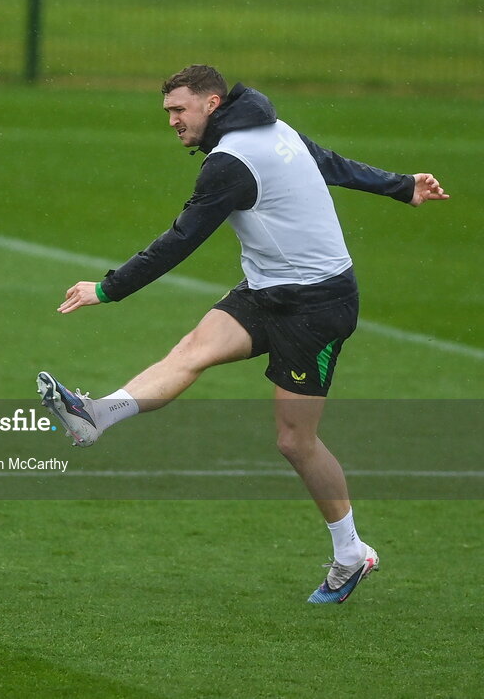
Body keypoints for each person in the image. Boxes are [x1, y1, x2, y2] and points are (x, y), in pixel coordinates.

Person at [37, 64, 449, 604]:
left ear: (211, 103)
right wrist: (401, 187)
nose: (172, 121)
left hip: (317, 306)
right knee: (190, 351)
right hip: (266, 291)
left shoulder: (231, 162)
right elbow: (326, 161)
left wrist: (109, 289)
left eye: (179, 110)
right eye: (167, 112)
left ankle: (352, 554)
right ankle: (95, 418)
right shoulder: (270, 129)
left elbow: (181, 239)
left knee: (294, 441)